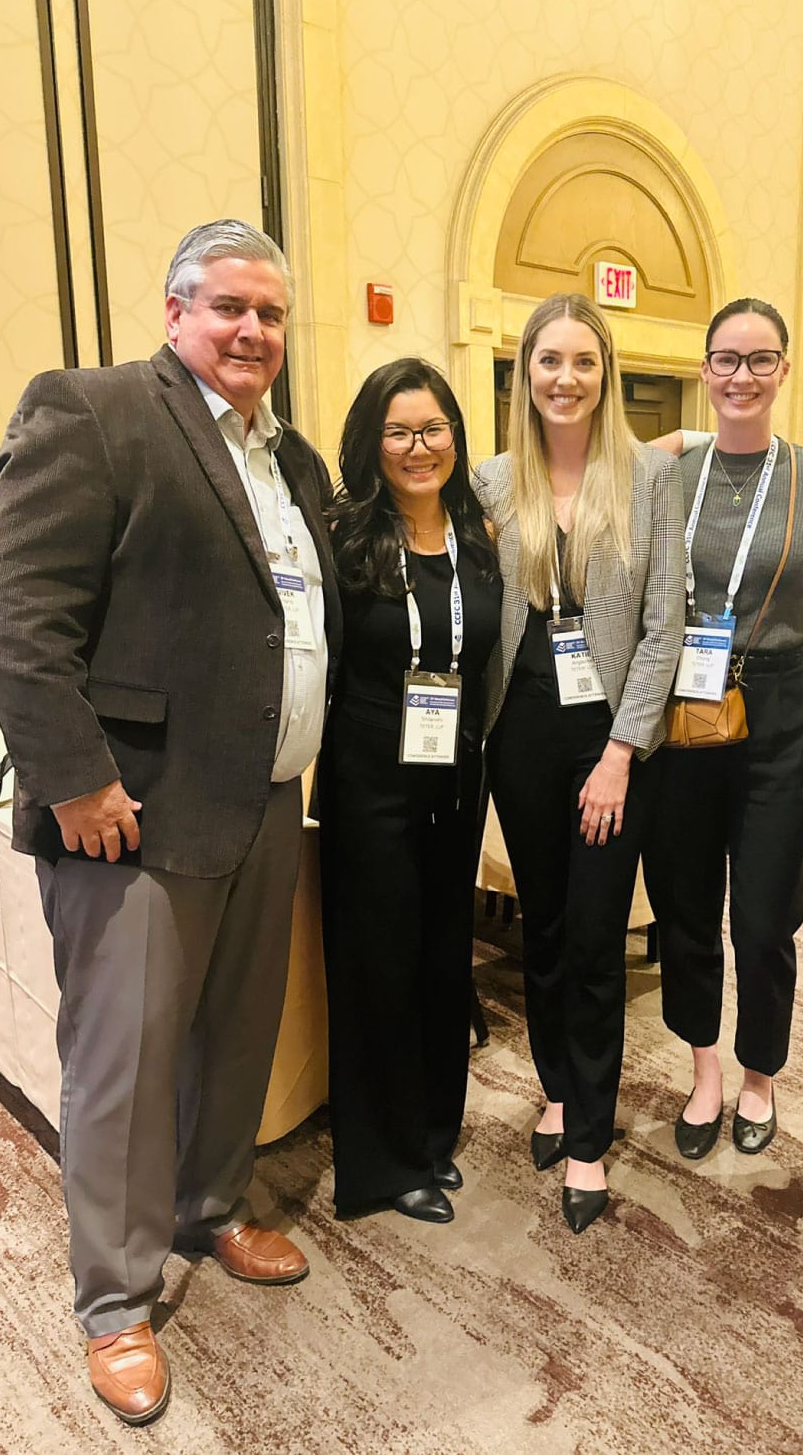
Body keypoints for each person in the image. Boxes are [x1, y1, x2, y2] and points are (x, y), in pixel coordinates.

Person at [0, 220, 341, 1424]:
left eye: (271, 314)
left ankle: (211, 1206)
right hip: (127, 815)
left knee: (234, 1038)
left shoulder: (295, 463)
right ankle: (114, 1302)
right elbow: (17, 609)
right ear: (175, 310)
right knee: (122, 1068)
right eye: (228, 306)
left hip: (266, 800)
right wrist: (74, 779)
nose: (251, 332)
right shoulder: (96, 412)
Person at [473, 293, 683, 1234]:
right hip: (518, 734)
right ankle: (557, 1087)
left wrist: (621, 753)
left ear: (606, 376)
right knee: (547, 927)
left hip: (611, 743)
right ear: (525, 375)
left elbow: (665, 627)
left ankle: (590, 1138)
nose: (566, 378)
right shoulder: (488, 482)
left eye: (584, 362)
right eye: (548, 361)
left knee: (597, 936)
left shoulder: (645, 482)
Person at [644, 299, 803, 1161]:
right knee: (686, 904)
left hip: (777, 709)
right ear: (704, 371)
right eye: (726, 360)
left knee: (766, 914)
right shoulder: (665, 475)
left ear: (782, 370)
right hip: (681, 707)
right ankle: (703, 1070)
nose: (742, 376)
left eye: (759, 360)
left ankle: (760, 1073)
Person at [319, 359, 501, 1225]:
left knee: (440, 956)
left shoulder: (478, 538)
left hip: (456, 779)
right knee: (376, 967)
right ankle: (380, 1164)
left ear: (456, 439)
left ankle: (432, 1134)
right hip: (371, 783)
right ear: (373, 442)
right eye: (399, 431)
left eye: (433, 430)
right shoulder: (347, 538)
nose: (419, 447)